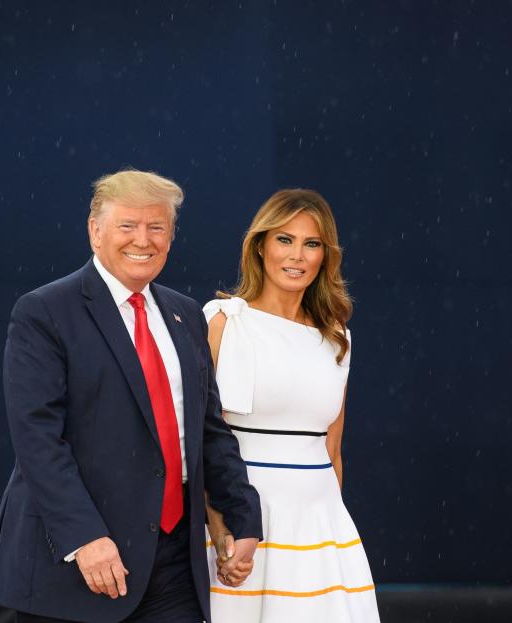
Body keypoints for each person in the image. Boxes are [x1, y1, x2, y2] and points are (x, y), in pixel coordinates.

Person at [0, 169, 262, 623]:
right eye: (127, 226)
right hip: (74, 565)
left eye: (157, 227)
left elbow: (208, 431)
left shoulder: (187, 315)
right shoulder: (44, 313)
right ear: (95, 231)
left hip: (172, 565)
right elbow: (37, 440)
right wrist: (83, 538)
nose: (142, 240)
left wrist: (242, 517)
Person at [203, 189, 380, 622]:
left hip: (322, 533)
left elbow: (333, 451)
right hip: (241, 525)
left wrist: (328, 535)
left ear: (325, 255)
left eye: (312, 243)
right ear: (260, 245)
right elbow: (203, 444)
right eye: (285, 239)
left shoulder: (338, 337)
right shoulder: (223, 322)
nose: (297, 255)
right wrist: (221, 529)